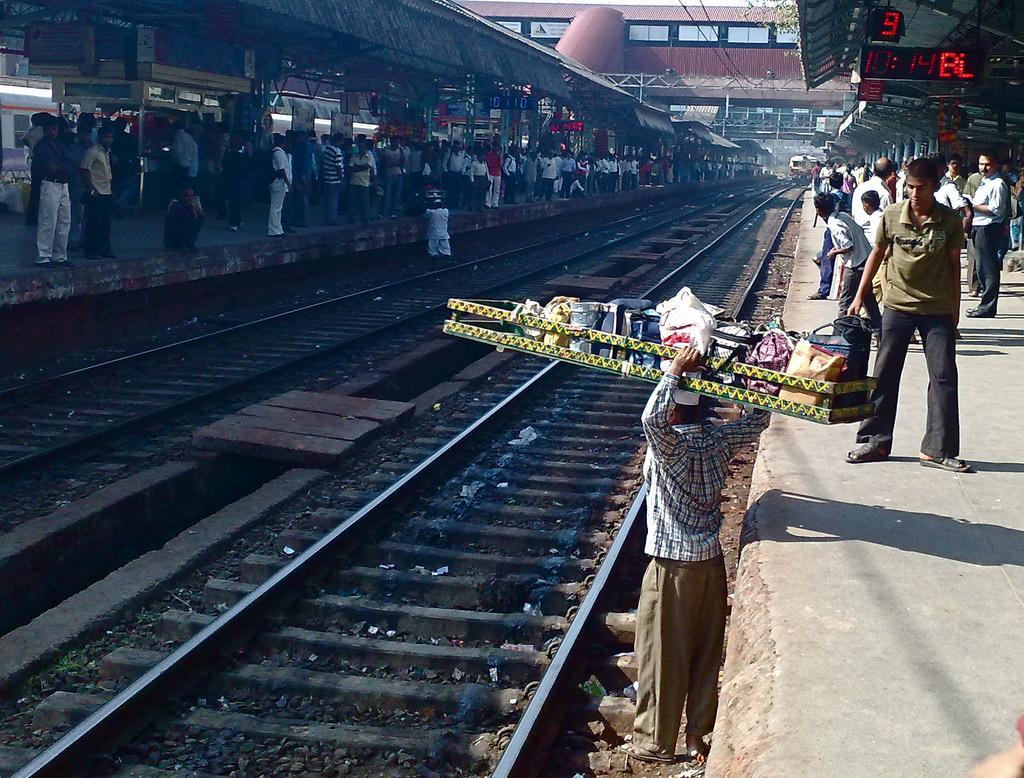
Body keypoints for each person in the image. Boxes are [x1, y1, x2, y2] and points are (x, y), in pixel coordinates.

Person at [625, 345, 768, 765]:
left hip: (672, 567)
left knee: (661, 654)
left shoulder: (670, 448)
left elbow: (650, 419)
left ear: (673, 411)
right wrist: (747, 381)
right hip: (709, 564)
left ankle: (655, 742)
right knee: (706, 654)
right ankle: (699, 737)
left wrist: (671, 372)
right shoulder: (717, 440)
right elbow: (759, 420)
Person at [846, 157, 969, 473]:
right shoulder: (890, 216)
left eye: (921, 188)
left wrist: (955, 310)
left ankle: (937, 449)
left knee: (944, 377)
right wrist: (860, 295)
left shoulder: (949, 221)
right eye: (910, 187)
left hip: (937, 309)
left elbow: (955, 267)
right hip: (898, 307)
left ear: (935, 187)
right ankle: (874, 440)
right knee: (884, 373)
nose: (914, 193)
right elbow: (876, 254)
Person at [814, 193, 881, 330]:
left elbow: (848, 246)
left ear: (818, 211)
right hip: (865, 260)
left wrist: (835, 252)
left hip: (855, 265)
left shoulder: (834, 224)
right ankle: (879, 332)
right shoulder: (843, 216)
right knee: (869, 302)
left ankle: (840, 335)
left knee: (845, 303)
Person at [966, 152, 1009, 318]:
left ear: (995, 165)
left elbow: (996, 210)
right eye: (981, 164)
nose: (983, 168)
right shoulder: (985, 182)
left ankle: (988, 307)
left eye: (987, 164)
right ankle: (984, 304)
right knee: (981, 268)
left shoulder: (997, 184)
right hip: (979, 226)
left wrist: (973, 205)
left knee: (988, 268)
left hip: (988, 227)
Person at [32, 116, 75, 266]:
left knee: (65, 220)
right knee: (48, 220)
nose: (53, 131)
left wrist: (59, 165)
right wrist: (63, 165)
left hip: (62, 184)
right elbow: (52, 167)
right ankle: (43, 255)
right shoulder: (41, 146)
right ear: (45, 130)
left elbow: (67, 164)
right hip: (50, 184)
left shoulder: (58, 145)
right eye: (50, 128)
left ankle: (60, 255)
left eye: (55, 128)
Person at [79, 124, 116, 260]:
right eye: (106, 137)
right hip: (96, 191)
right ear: (100, 137)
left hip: (107, 191)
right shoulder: (92, 152)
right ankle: (91, 250)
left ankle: (105, 249)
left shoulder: (107, 152)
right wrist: (91, 188)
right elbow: (84, 170)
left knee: (105, 224)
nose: (109, 140)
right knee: (93, 223)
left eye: (111, 137)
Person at [221, 130, 252, 232]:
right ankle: (234, 220)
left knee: (238, 200)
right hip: (230, 178)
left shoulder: (244, 150)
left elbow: (249, 164)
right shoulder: (229, 150)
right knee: (232, 200)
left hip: (241, 179)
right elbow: (224, 163)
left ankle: (236, 220)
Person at [851, 158, 896, 225]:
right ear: (890, 173)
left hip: (857, 231)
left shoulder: (860, 188)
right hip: (874, 233)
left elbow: (854, 213)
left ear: (874, 171)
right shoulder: (884, 194)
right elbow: (888, 221)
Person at [164, 187, 204, 252]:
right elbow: (186, 218)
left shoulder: (190, 205)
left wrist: (198, 210)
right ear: (182, 196)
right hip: (173, 240)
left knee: (198, 221)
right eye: (188, 196)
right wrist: (193, 211)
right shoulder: (176, 206)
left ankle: (189, 243)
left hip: (185, 237)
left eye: (191, 196)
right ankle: (180, 245)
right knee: (185, 223)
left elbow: (200, 218)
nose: (190, 198)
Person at [267, 133, 291, 237]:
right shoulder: (279, 153)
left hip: (276, 181)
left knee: (277, 207)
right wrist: (288, 183)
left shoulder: (275, 152)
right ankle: (274, 230)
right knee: (276, 207)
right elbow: (282, 169)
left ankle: (278, 229)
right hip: (279, 182)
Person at [347, 138, 374, 226]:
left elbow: (368, 166)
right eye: (360, 147)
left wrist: (356, 167)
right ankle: (352, 218)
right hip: (353, 182)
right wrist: (360, 167)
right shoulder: (354, 155)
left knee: (364, 203)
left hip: (364, 182)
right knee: (352, 202)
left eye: (363, 147)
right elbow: (350, 168)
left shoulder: (369, 155)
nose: (361, 149)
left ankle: (364, 219)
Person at [321, 133, 345, 226]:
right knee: (334, 201)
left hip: (327, 177)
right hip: (334, 179)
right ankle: (332, 220)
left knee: (327, 200)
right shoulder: (337, 151)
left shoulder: (327, 149)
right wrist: (341, 178)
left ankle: (327, 219)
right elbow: (338, 166)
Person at [170, 122, 199, 194]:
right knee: (187, 190)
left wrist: (173, 158)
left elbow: (177, 150)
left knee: (180, 189)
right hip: (190, 167)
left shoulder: (178, 135)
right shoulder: (189, 138)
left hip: (181, 166)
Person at [381, 137, 404, 218]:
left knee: (396, 194)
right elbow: (383, 163)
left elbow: (402, 162)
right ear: (391, 142)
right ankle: (386, 212)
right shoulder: (385, 151)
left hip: (398, 174)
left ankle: (393, 211)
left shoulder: (400, 150)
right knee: (388, 194)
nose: (396, 144)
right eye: (395, 142)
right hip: (388, 175)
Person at [424, 194, 451, 258]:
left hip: (434, 233)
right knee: (445, 247)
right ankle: (446, 257)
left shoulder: (431, 212)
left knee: (432, 248)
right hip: (443, 233)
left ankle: (434, 258)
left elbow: (425, 212)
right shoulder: (446, 211)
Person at [484, 144, 502, 209]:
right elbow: (488, 163)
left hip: (497, 173)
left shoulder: (499, 156)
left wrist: (499, 156)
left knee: (496, 189)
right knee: (489, 188)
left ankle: (495, 203)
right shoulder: (489, 155)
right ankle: (488, 203)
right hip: (491, 173)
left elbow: (500, 164)